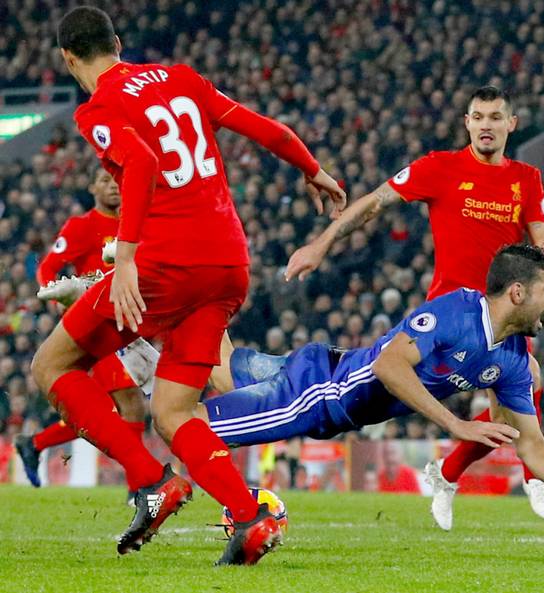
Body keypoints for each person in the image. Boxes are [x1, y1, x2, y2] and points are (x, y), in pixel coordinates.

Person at [31, 6, 345, 564]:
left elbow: (144, 163)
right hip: (228, 263)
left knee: (51, 366)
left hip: (166, 266)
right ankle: (249, 517)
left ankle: (152, 482)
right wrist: (311, 167)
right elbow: (268, 128)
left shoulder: (99, 106)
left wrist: (124, 261)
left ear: (68, 59)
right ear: (119, 42)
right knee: (174, 411)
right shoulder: (182, 78)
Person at [285, 85, 544, 528]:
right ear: (467, 123)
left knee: (520, 392)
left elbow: (541, 231)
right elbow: (376, 200)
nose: (486, 125)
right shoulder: (440, 167)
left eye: (495, 117)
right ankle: (456, 472)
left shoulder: (526, 178)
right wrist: (321, 244)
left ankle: (508, 478)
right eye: (478, 117)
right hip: (451, 313)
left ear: (511, 124)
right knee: (395, 393)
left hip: (502, 314)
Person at [200, 245, 544, 510]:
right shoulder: (456, 313)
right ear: (518, 293)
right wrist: (454, 424)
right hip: (319, 394)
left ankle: (193, 297)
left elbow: (530, 441)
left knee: (224, 372)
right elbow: (389, 365)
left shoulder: (513, 359)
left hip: (330, 367)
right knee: (190, 426)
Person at [15, 169, 145, 503]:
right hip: (96, 325)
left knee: (105, 409)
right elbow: (48, 268)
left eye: (118, 179)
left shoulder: (133, 224)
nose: (114, 185)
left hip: (127, 324)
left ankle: (34, 444)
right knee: (129, 403)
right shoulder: (82, 226)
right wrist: (62, 302)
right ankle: (139, 486)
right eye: (105, 180)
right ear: (91, 188)